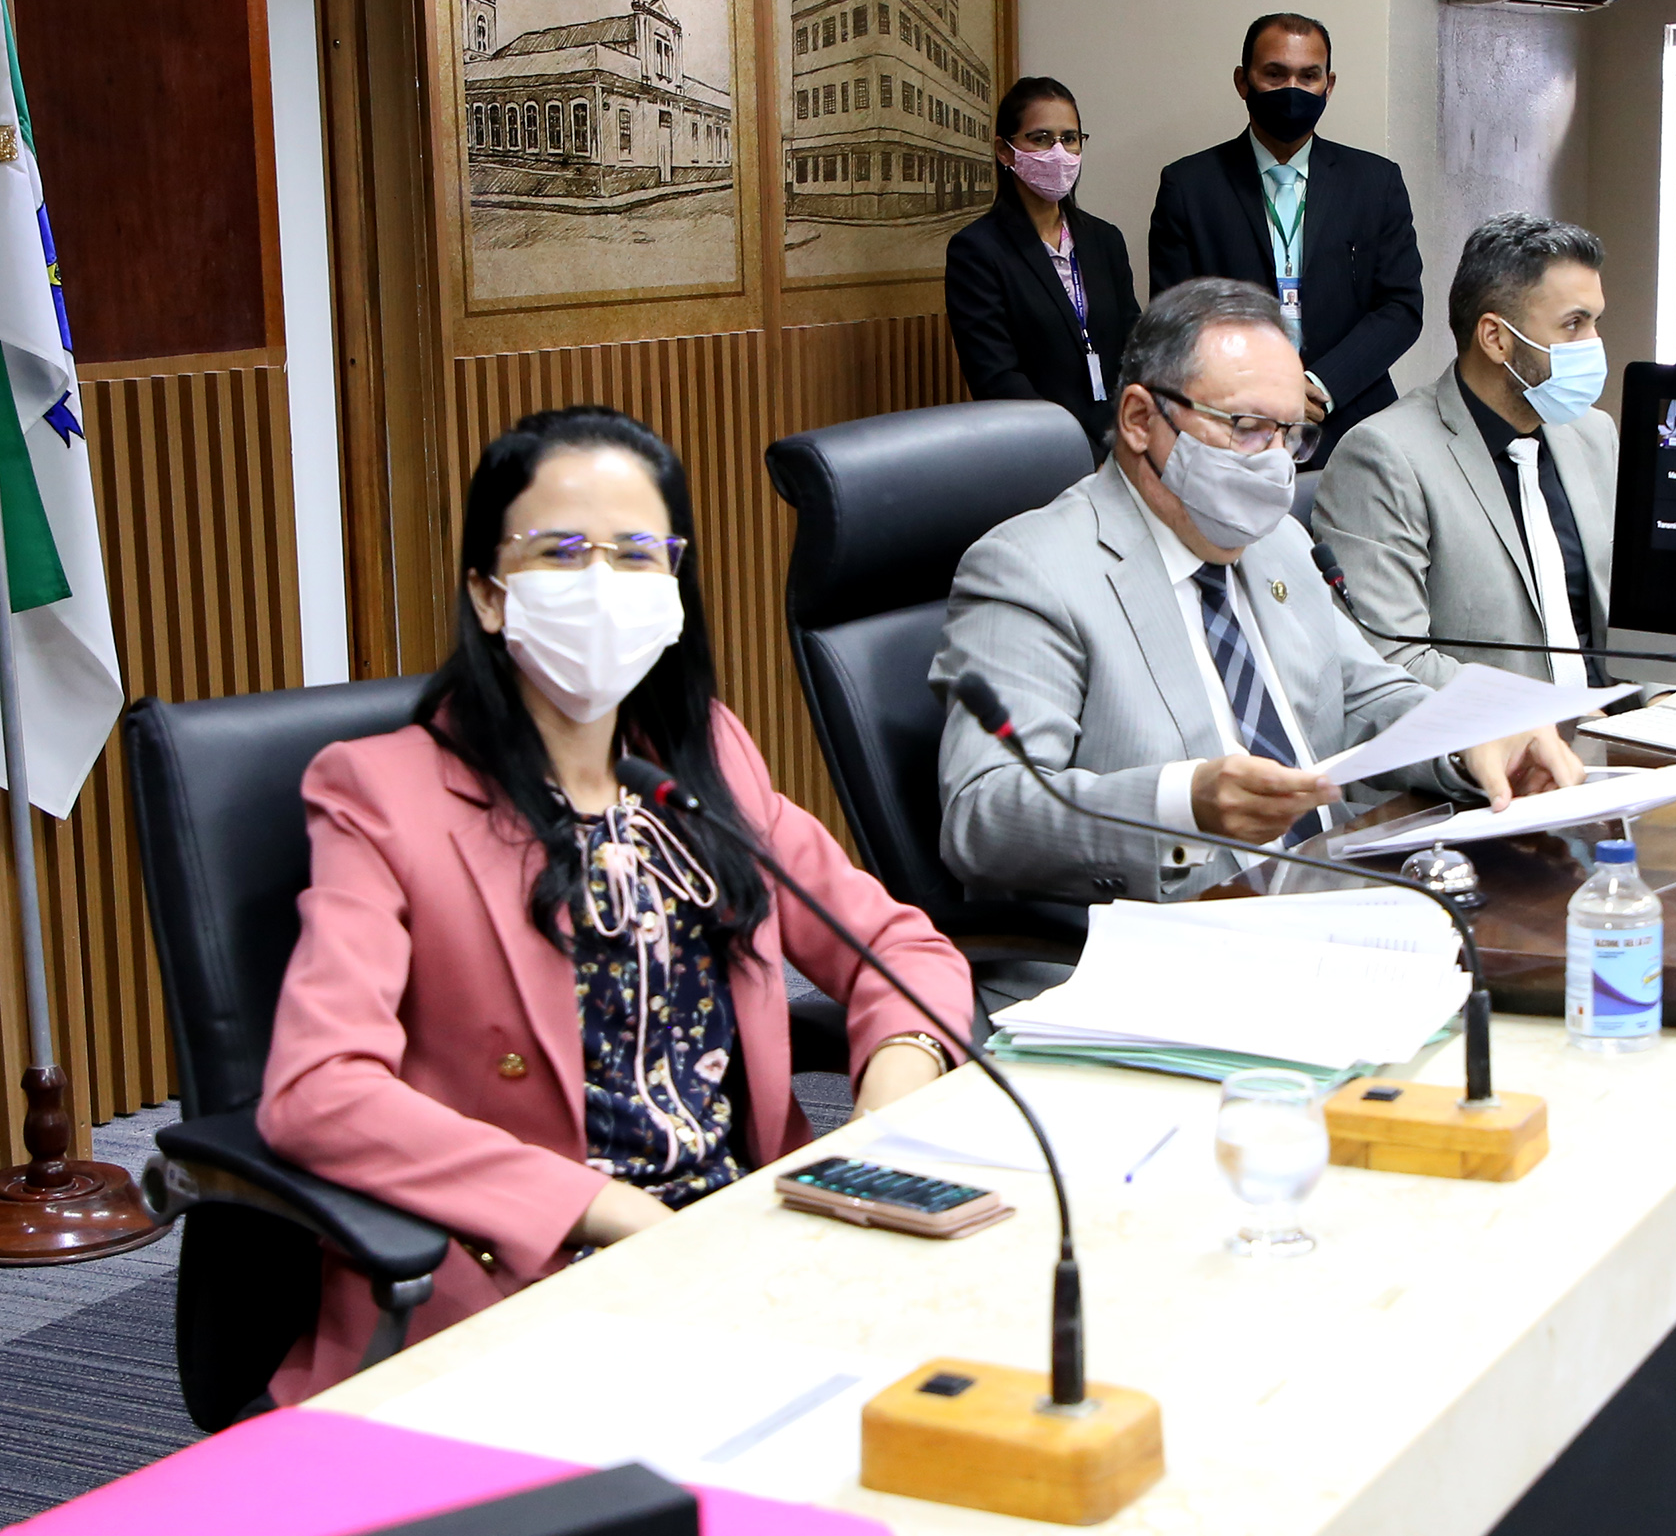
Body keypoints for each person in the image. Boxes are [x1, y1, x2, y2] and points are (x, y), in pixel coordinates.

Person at [258, 408, 968, 1403]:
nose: (601, 583)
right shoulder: (380, 793)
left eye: (637, 554)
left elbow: (895, 945)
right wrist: (608, 1210)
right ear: (489, 592)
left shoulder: (700, 759)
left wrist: (883, 1105)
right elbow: (318, 1089)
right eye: (561, 552)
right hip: (534, 1279)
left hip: (749, 1245)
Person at [930, 277, 1581, 905]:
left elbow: (1366, 696)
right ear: (1139, 418)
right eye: (1247, 427)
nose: (1274, 462)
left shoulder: (1280, 543)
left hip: (1336, 899)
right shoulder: (1032, 570)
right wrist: (1182, 805)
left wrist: (1474, 741)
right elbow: (984, 814)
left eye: (1290, 435)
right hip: (1178, 934)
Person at [1311, 213, 1618, 690]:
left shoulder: (1594, 434)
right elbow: (1391, 661)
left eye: (1595, 322)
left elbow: (1638, 620)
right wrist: (1550, 716)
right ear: (1495, 338)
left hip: (1620, 720)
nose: (1594, 344)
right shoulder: (1385, 457)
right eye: (1574, 324)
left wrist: (1665, 702)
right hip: (1497, 729)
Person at [1147, 13, 1423, 470]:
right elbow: (1175, 320)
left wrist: (1320, 385)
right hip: (1230, 429)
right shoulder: (1189, 186)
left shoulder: (1376, 182)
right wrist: (1264, 395)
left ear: (1328, 85)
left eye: (1308, 76)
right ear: (1243, 81)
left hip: (1353, 426)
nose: (1292, 89)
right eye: (1274, 74)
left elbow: (1401, 307)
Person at [947, 77, 1142, 451]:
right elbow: (996, 376)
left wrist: (1130, 435)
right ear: (1005, 151)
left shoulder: (1105, 239)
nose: (1058, 152)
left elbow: (1134, 345)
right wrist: (1076, 448)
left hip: (1121, 441)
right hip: (1041, 448)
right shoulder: (977, 251)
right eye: (1040, 139)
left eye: (1069, 138)